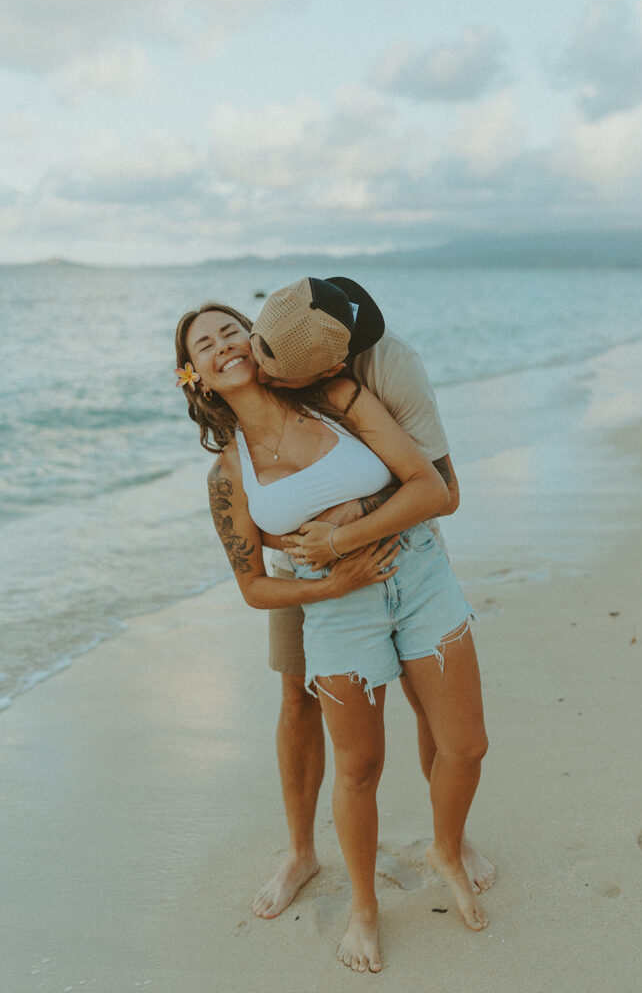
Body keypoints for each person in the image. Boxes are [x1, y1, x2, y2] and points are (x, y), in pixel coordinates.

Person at [174, 284, 489, 973]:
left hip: (416, 574)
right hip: (333, 607)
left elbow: (433, 488)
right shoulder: (227, 475)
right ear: (192, 373)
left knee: (463, 744)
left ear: (258, 342)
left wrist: (345, 536)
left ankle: (446, 846)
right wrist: (335, 580)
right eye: (206, 343)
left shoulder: (337, 395)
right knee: (359, 765)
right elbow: (254, 585)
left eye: (233, 330)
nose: (225, 344)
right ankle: (361, 910)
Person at [248, 277, 493, 920]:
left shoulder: (388, 368)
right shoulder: (260, 356)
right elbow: (243, 491)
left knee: (429, 704)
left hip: (398, 557)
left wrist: (352, 520)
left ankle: (452, 839)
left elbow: (445, 490)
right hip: (301, 571)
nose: (257, 366)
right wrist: (313, 550)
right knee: (296, 701)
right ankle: (301, 852)